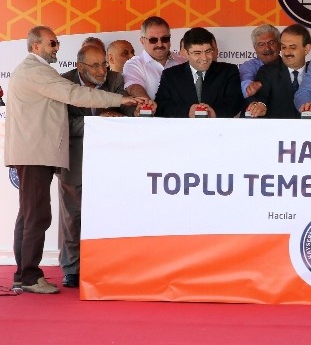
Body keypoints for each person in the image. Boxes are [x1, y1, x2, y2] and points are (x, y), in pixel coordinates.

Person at [4, 26, 142, 294]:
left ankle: (23, 275)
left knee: (29, 214)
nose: (57, 47)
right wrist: (122, 99)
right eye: (52, 43)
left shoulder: (37, 70)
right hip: (35, 153)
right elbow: (75, 94)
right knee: (37, 215)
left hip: (36, 152)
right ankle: (30, 276)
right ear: (35, 46)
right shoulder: (36, 70)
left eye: (56, 43)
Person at [57, 44, 138, 288]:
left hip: (111, 159)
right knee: (73, 214)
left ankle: (109, 264)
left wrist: (132, 112)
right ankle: (72, 268)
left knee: (111, 211)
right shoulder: (64, 82)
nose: (102, 70)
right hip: (74, 155)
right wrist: (97, 122)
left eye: (104, 64)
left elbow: (129, 112)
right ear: (80, 67)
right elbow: (61, 123)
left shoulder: (116, 80)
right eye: (95, 66)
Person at [155, 27, 243, 118]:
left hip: (218, 126)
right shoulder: (170, 75)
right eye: (197, 53)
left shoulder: (228, 71)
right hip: (182, 127)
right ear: (186, 53)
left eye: (208, 51)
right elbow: (161, 106)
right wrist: (188, 112)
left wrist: (214, 112)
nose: (204, 58)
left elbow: (236, 101)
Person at [246, 24, 311, 119]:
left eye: (293, 47)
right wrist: (260, 105)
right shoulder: (267, 71)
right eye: (284, 47)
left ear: (306, 49)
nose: (287, 52)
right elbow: (260, 96)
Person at [123, 16, 186, 99]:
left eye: (164, 39)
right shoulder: (134, 64)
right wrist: (148, 103)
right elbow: (134, 87)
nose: (160, 44)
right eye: (153, 40)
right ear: (142, 41)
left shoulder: (183, 61)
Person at [240, 24, 281, 98]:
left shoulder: (289, 65)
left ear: (279, 45)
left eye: (271, 43)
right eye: (261, 44)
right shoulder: (249, 66)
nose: (267, 48)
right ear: (255, 48)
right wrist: (249, 87)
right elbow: (246, 80)